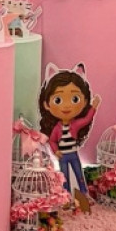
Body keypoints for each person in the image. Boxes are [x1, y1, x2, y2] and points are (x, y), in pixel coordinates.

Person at [39, 63, 100, 213]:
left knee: (79, 173)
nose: (66, 106)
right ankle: (65, 197)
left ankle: (84, 193)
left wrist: (94, 107)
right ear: (47, 105)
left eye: (74, 99)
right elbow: (52, 140)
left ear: (84, 101)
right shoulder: (56, 128)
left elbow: (87, 119)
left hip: (73, 154)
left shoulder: (75, 124)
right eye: (58, 100)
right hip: (63, 156)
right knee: (64, 176)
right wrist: (55, 151)